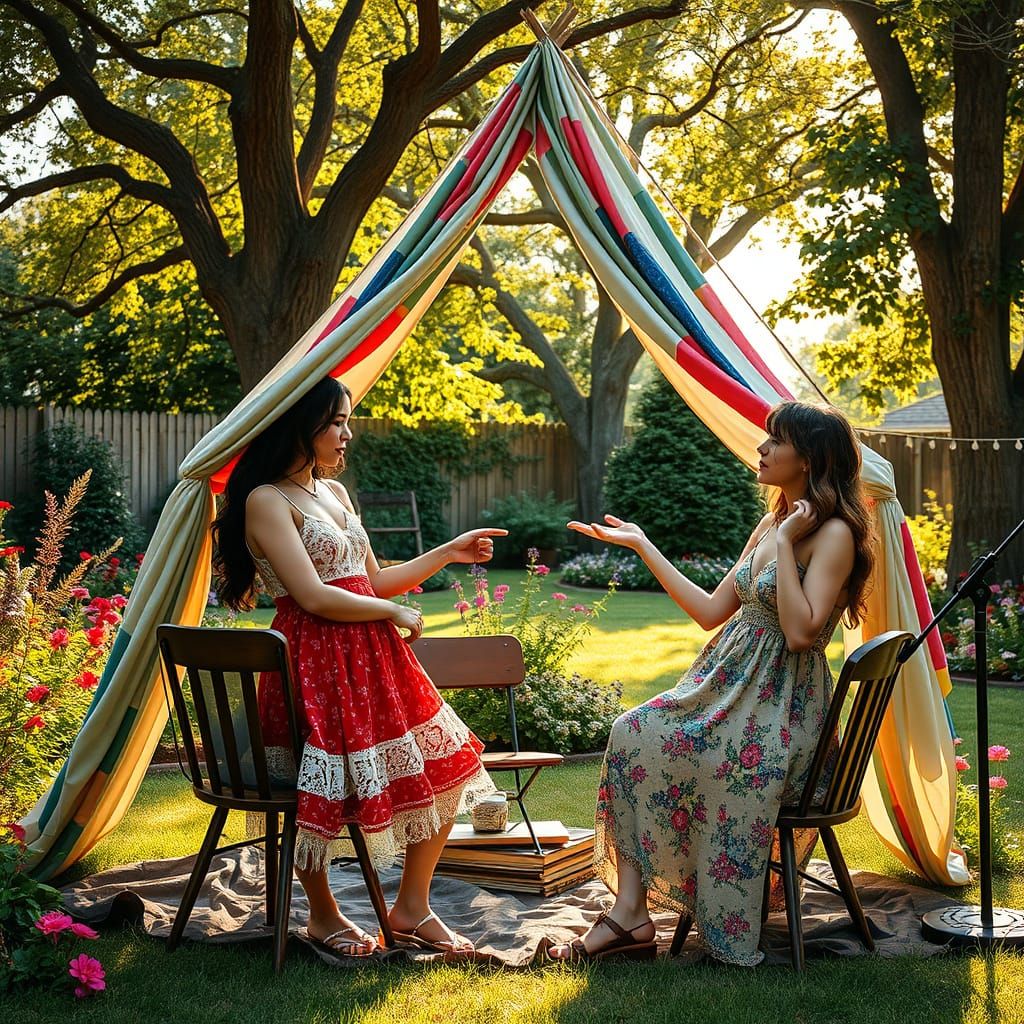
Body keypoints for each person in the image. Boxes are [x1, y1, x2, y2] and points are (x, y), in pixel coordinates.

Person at [548, 401, 875, 965]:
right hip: (726, 689)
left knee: (722, 767)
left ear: (811, 457)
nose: (762, 448)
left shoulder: (835, 534)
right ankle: (630, 913)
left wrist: (782, 542)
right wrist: (643, 544)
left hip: (783, 711)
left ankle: (693, 915)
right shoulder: (774, 522)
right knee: (632, 732)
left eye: (777, 440)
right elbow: (709, 610)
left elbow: (800, 634)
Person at [211, 376, 507, 958]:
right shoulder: (266, 499)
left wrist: (447, 550)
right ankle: (323, 916)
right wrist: (392, 611)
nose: (347, 433)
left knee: (450, 762)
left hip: (373, 659)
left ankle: (410, 909)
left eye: (348, 420)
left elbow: (368, 580)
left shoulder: (337, 494)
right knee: (315, 788)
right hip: (312, 660)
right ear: (302, 426)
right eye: (337, 421)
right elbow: (314, 595)